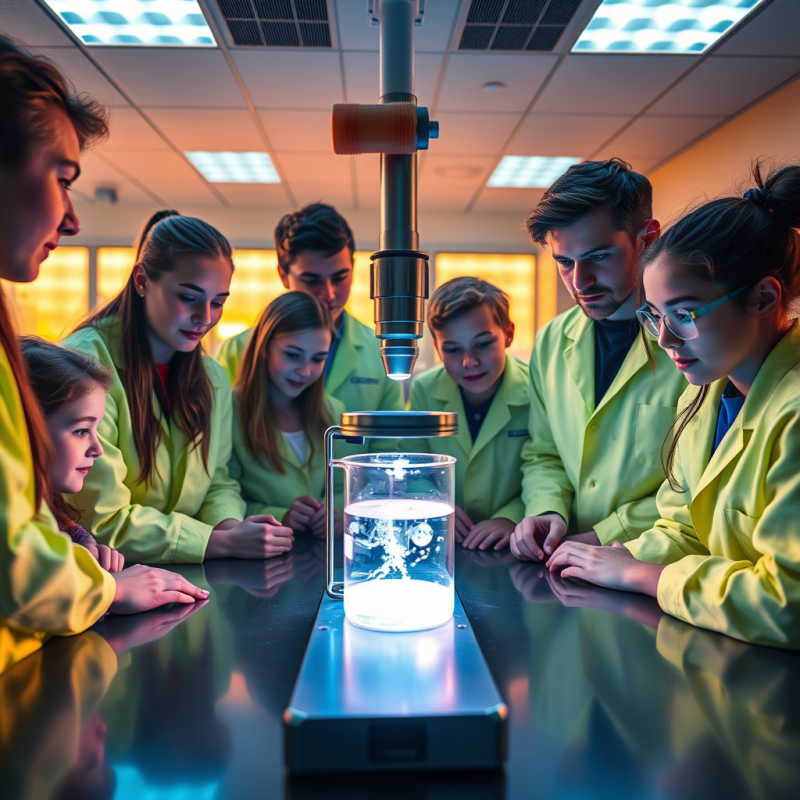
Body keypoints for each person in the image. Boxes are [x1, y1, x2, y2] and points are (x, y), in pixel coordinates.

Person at [0, 37, 207, 674]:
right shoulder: (90, 357)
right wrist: (108, 589)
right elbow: (12, 559)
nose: (72, 220)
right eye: (61, 180)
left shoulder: (204, 373)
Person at [546, 163, 800, 649]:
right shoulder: (705, 394)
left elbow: (787, 601)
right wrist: (612, 559)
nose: (664, 340)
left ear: (764, 298)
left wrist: (644, 575)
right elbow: (684, 525)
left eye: (684, 314)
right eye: (656, 315)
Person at [64, 210, 289, 564]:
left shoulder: (212, 377)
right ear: (142, 280)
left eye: (218, 302)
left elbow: (219, 481)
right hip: (109, 575)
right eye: (188, 297)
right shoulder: (84, 363)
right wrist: (218, 543)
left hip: (187, 573)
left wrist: (230, 526)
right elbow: (100, 519)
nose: (205, 318)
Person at [511, 158, 685, 562]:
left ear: (648, 238)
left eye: (599, 257)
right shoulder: (551, 341)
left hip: (655, 562)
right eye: (564, 262)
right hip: (567, 561)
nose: (579, 281)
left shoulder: (691, 342)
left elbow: (697, 480)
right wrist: (547, 510)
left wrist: (604, 535)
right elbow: (544, 454)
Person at [217, 202, 403, 414]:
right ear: (283, 276)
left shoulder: (382, 351)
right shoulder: (237, 350)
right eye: (311, 280)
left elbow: (393, 432)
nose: (328, 294)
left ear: (353, 268)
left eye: (340, 278)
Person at [406, 277, 530, 551]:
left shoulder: (537, 388)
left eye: (483, 344)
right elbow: (412, 466)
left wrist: (511, 517)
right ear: (437, 349)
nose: (469, 361)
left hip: (516, 542)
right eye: (452, 349)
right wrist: (435, 503)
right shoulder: (424, 389)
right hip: (441, 540)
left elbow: (546, 468)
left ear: (508, 334)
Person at [229, 291, 344, 540]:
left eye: (318, 359)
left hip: (318, 552)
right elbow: (222, 496)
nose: (305, 371)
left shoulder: (333, 410)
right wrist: (280, 516)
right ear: (264, 347)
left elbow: (348, 486)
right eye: (293, 355)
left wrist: (337, 512)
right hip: (256, 551)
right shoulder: (229, 410)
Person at [21, 336, 124, 572]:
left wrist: (86, 549)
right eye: (81, 431)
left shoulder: (54, 515)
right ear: (28, 428)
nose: (98, 449)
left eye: (96, 429)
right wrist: (114, 587)